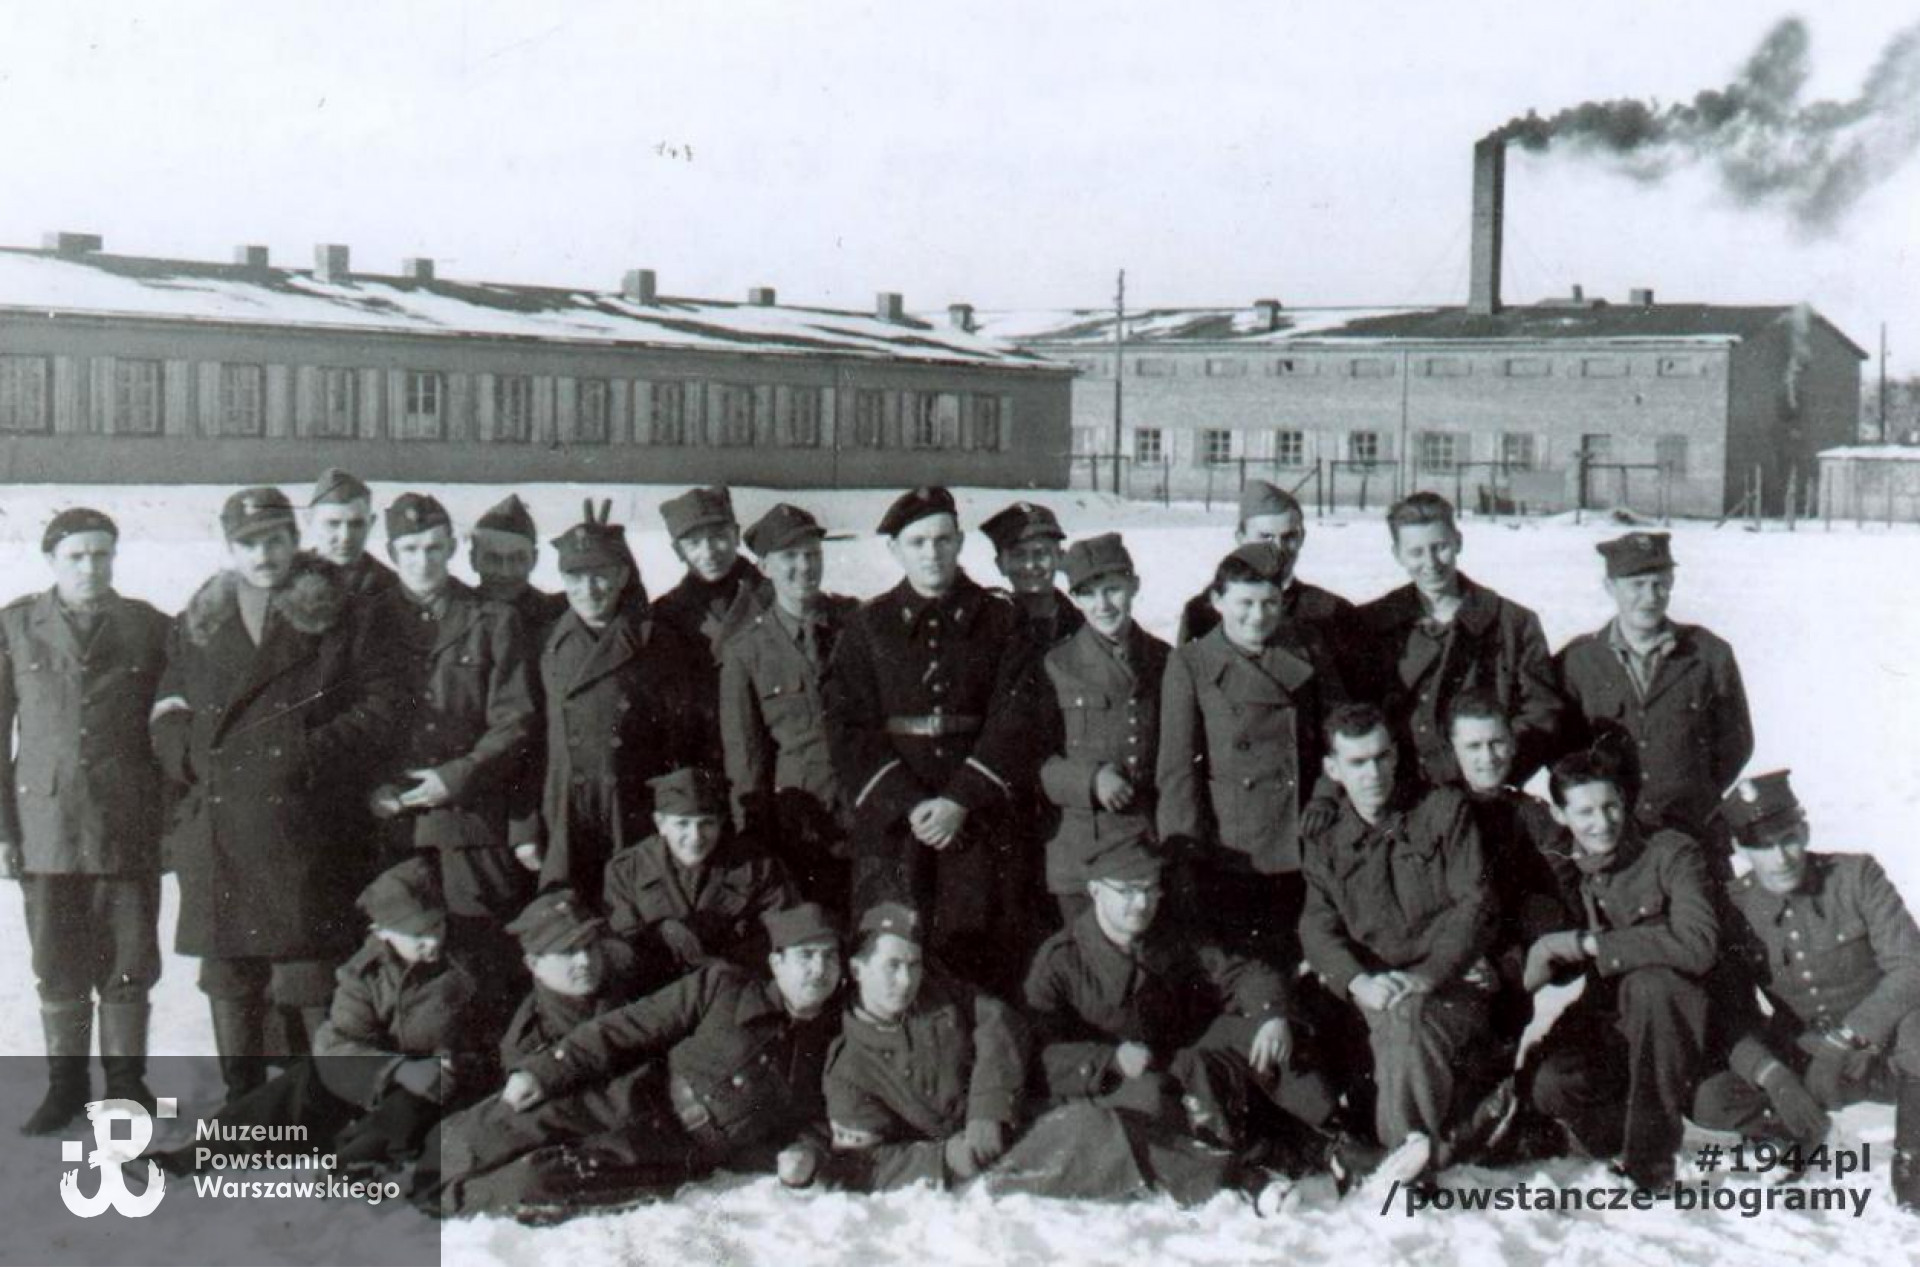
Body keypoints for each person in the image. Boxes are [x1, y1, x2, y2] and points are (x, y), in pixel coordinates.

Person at [150, 487, 403, 1101]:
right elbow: (168, 702)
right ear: (229, 547)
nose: (263, 555)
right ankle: (243, 1108)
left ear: (295, 541)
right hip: (220, 827)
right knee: (230, 975)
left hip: (303, 821)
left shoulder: (343, 612)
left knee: (306, 973)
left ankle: (314, 1110)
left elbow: (381, 707)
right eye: (248, 543)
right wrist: (186, 750)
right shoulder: (202, 616)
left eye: (275, 540)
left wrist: (298, 753)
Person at [426, 902, 845, 1218]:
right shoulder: (723, 986)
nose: (817, 970)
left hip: (671, 1155)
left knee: (538, 1180)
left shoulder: (832, 1044)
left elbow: (821, 1120)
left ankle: (430, 1207)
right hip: (631, 1094)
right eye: (805, 956)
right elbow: (624, 1028)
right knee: (494, 1128)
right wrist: (545, 1069)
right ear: (777, 961)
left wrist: (807, 1153)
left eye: (829, 957)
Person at [823, 487, 1042, 994]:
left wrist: (961, 799)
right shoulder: (866, 626)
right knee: (892, 951)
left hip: (979, 822)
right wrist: (911, 804)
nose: (932, 553)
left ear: (960, 542)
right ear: (895, 550)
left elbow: (1019, 716)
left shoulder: (1001, 620)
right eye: (917, 542)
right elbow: (847, 726)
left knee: (981, 956)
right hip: (897, 827)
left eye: (943, 540)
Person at [158, 859, 492, 1176]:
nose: (432, 941)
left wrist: (451, 1062)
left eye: (436, 926)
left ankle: (350, 1165)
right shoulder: (365, 973)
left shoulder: (469, 964)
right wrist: (398, 1069)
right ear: (383, 933)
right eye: (417, 934)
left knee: (405, 1110)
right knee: (307, 1080)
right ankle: (197, 1155)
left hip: (452, 1082)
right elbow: (337, 1041)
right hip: (391, 1077)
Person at [0, 510, 171, 1131]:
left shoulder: (148, 627)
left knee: (129, 961)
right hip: (45, 825)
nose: (90, 567)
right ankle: (65, 1088)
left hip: (127, 822)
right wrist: (3, 830)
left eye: (101, 554)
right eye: (76, 556)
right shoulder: (17, 626)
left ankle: (127, 1088)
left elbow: (171, 728)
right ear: (51, 560)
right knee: (56, 962)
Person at [1691, 771, 1920, 1209]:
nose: (1780, 858)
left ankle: (1915, 1156)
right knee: (1711, 1098)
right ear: (1740, 848)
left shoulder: (1856, 876)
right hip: (1810, 1060)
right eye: (1762, 846)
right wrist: (1774, 1078)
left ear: (1806, 830)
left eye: (1789, 839)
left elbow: (1911, 966)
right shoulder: (1735, 906)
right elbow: (1731, 1012)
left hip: (1886, 1053)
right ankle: (1794, 1130)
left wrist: (1849, 1038)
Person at [1023, 839, 1337, 1157]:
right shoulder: (1061, 961)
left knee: (1263, 1034)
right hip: (1118, 1080)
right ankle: (1243, 1164)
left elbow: (1242, 972)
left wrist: (1271, 1015)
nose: (1142, 903)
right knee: (1166, 1090)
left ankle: (1335, 1132)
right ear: (1095, 891)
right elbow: (1042, 1052)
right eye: (1128, 891)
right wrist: (1110, 1060)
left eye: (1150, 889)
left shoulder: (1170, 930)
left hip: (1181, 1056)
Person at [1300, 703, 1501, 1179]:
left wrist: (1428, 976)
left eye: (1381, 757)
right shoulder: (1325, 839)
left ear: (1396, 757)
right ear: (1333, 770)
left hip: (1449, 985)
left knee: (1405, 1016)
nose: (1372, 773)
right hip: (1372, 988)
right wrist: (1356, 982)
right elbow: (1317, 925)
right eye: (1357, 763)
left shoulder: (1442, 811)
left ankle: (1398, 1162)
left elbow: (1475, 903)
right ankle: (1417, 1152)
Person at [1521, 749, 1718, 1191]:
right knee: (1551, 1085)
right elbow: (1551, 953)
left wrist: (1594, 944)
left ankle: (1651, 1165)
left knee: (1652, 984)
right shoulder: (1563, 868)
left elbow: (1698, 944)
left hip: (1678, 1022)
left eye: (1610, 806)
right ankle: (1618, 1131)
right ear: (1560, 813)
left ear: (1625, 800)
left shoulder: (1670, 851)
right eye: (1585, 811)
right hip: (1610, 1018)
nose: (1602, 822)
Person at [366, 493, 539, 972]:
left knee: (479, 961)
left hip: (471, 823)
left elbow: (514, 721)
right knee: (400, 962)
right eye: (411, 550)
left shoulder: (493, 619)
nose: (423, 561)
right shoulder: (368, 621)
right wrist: (375, 783)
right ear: (392, 553)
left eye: (434, 548)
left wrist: (457, 776)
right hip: (395, 823)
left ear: (452, 549)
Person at [1156, 542, 1339, 964]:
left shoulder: (1306, 649)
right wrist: (1182, 853)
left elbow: (1339, 732)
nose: (1258, 616)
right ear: (1217, 601)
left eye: (1270, 602)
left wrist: (1326, 795)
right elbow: (1177, 769)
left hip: (1301, 838)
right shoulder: (1191, 663)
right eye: (1245, 603)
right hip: (1232, 848)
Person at [529, 502, 702, 902]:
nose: (588, 590)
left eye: (601, 576)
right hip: (564, 811)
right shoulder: (545, 643)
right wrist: (525, 829)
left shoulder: (656, 642)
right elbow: (529, 740)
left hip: (632, 806)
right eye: (576, 577)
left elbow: (680, 739)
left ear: (623, 575)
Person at [1555, 531, 1753, 857]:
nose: (1650, 597)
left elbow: (1736, 742)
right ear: (1610, 587)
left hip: (1693, 832)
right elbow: (1563, 754)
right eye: (1636, 585)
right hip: (1612, 837)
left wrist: (1689, 790)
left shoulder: (1708, 654)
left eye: (1660, 584)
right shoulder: (1578, 661)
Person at [1353, 492, 1565, 788]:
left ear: (1458, 542)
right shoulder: (1371, 623)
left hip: (1483, 791)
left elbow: (1542, 713)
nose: (1431, 563)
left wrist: (1491, 770)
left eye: (1440, 548)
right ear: (1397, 554)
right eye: (1416, 552)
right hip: (1398, 788)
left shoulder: (1512, 623)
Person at [823, 903, 1028, 1191]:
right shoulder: (848, 1067)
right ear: (857, 969)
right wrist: (942, 1159)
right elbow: (861, 1163)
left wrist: (989, 1107)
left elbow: (999, 1018)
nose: (907, 981)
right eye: (892, 966)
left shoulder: (938, 994)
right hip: (962, 1181)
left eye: (914, 965)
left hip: (1010, 1123)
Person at [719, 504, 859, 906]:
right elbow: (746, 758)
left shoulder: (857, 627)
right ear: (764, 567)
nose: (805, 566)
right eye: (789, 557)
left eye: (812, 554)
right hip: (797, 824)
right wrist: (755, 838)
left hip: (863, 814)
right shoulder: (746, 652)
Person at [1035, 534, 1169, 926]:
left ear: (1135, 586)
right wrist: (1089, 780)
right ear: (1074, 599)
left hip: (1146, 841)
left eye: (1113, 589)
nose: (1103, 605)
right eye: (1088, 594)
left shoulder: (1163, 659)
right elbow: (1033, 758)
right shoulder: (1056, 665)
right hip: (1081, 846)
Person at [1444, 688, 1570, 1052]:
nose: (1488, 757)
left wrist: (1507, 969)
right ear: (1454, 749)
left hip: (1504, 986)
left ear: (1513, 744)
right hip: (1439, 967)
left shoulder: (1536, 818)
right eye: (1473, 747)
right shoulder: (1433, 812)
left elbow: (1554, 907)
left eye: (1496, 743)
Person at [600, 768, 798, 991]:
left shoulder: (757, 867)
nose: (695, 837)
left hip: (734, 987)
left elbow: (785, 933)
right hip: (656, 993)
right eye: (682, 824)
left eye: (706, 823)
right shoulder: (627, 870)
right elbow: (624, 949)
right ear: (661, 823)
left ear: (721, 822)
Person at [1173, 481, 1358, 674]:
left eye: (1289, 537)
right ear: (1241, 538)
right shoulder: (1205, 612)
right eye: (1265, 537)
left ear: (1302, 538)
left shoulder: (1331, 611)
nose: (1277, 549)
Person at [653, 486, 768, 765]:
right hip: (703, 755)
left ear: (736, 535)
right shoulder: (665, 613)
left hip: (768, 747)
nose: (708, 552)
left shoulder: (772, 597)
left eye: (718, 537)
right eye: (693, 543)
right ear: (678, 551)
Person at [980, 500, 1082, 650]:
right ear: (1001, 564)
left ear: (1060, 558)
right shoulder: (986, 630)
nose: (1030, 565)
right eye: (1019, 555)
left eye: (1041, 553)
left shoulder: (1083, 629)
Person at [469, 493, 569, 638]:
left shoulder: (557, 616)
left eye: (517, 559)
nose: (505, 572)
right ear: (473, 559)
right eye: (493, 558)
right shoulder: (454, 616)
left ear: (534, 559)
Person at [305, 467, 399, 601]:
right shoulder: (287, 580)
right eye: (333, 523)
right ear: (310, 520)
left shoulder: (391, 587)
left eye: (356, 524)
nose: (345, 537)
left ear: (371, 523)